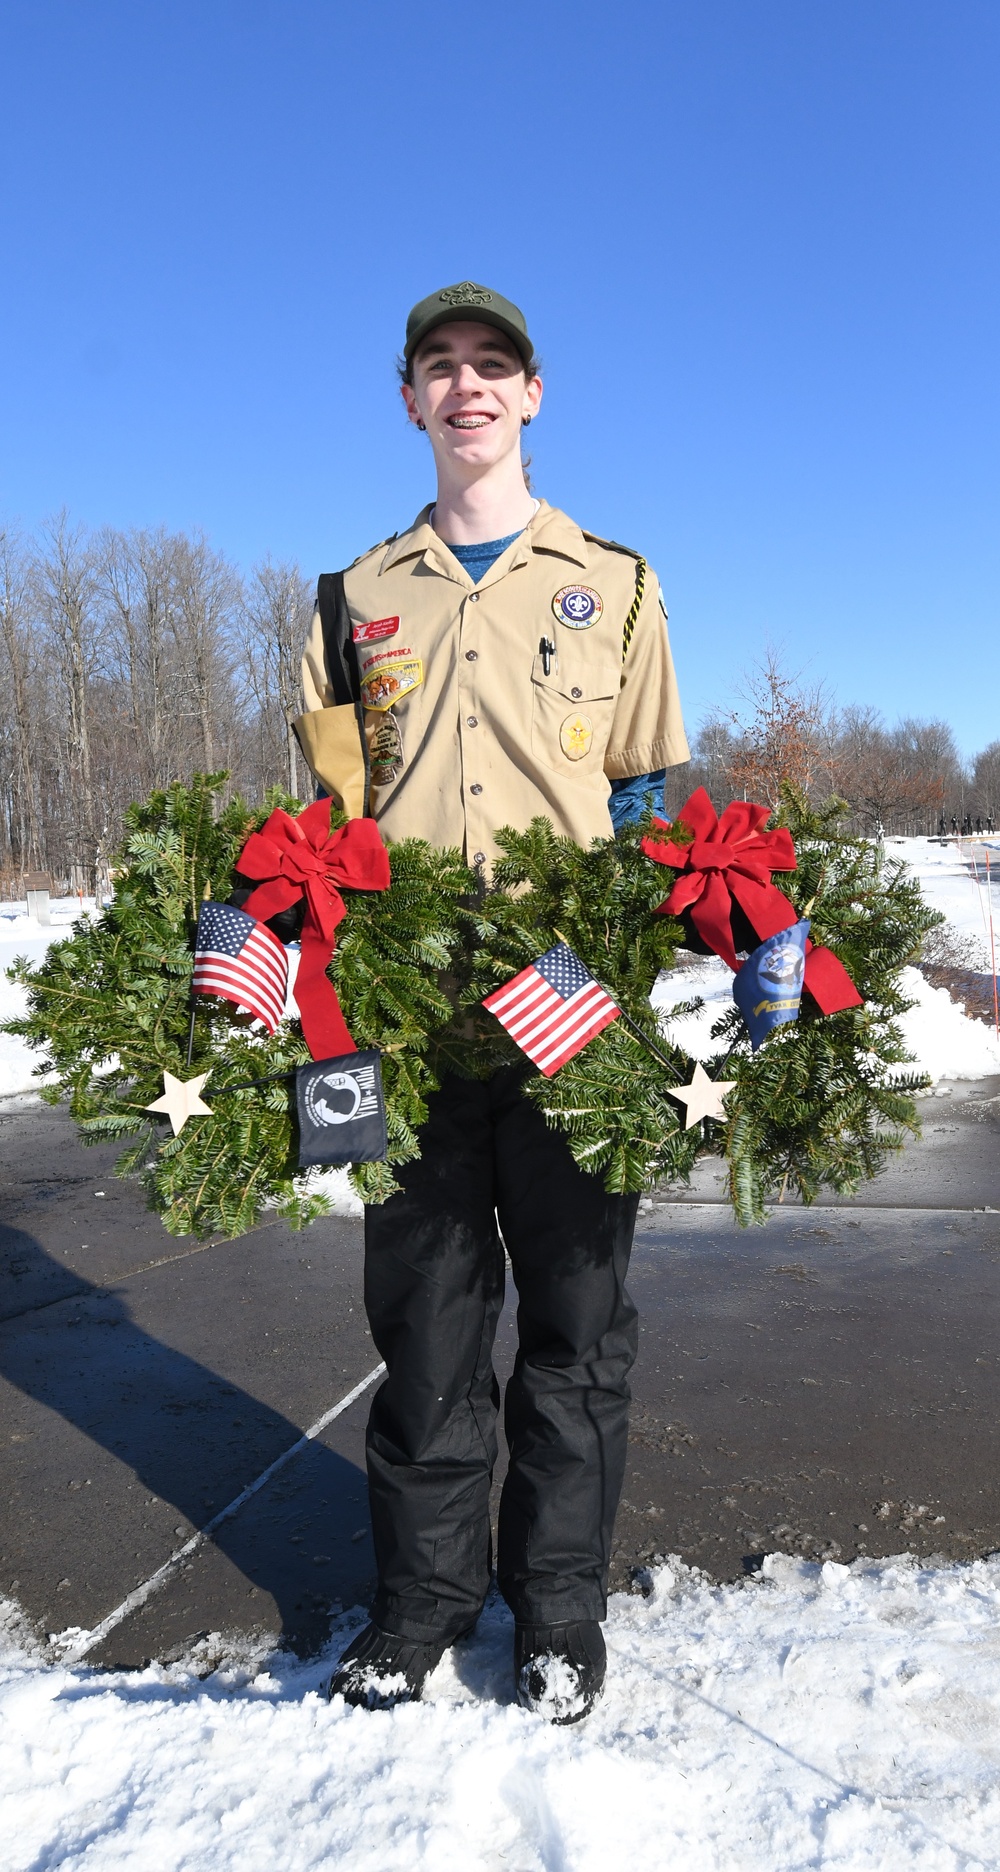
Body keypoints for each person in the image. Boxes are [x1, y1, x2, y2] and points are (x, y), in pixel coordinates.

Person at [295, 282, 689, 1723]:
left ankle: (562, 1614)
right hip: (405, 1015)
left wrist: (654, 963)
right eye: (440, 367)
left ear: (534, 396)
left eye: (493, 367)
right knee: (430, 1331)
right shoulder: (354, 598)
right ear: (409, 400)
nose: (468, 388)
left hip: (571, 1002)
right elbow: (327, 815)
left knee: (578, 1332)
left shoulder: (621, 583)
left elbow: (644, 803)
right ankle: (419, 1605)